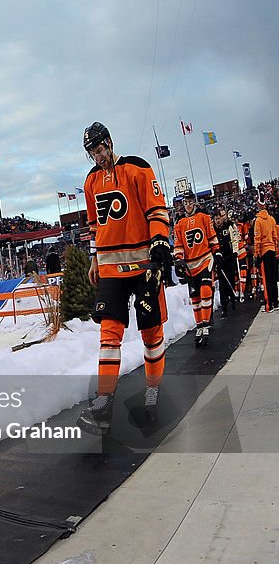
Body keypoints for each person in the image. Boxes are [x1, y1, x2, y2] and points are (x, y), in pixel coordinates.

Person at [76, 122, 171, 434]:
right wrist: (94, 259)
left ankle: (153, 392)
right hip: (111, 269)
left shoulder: (137, 169)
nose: (98, 157)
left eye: (100, 150)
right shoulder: (90, 181)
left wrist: (159, 248)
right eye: (92, 153)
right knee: (108, 334)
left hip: (143, 266)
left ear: (110, 143)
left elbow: (157, 211)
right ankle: (103, 404)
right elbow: (94, 225)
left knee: (151, 334)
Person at [173, 193, 219, 347]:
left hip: (205, 258)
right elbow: (178, 244)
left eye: (190, 202)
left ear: (195, 203)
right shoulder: (179, 224)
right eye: (185, 202)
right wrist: (178, 259)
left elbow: (211, 235)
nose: (188, 205)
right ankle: (199, 326)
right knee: (195, 297)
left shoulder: (204, 217)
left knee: (206, 290)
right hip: (190, 265)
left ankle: (206, 324)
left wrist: (217, 250)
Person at [213, 207, 240, 316]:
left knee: (231, 280)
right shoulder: (213, 230)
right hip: (220, 260)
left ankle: (233, 300)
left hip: (229, 257)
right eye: (215, 219)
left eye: (219, 218)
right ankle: (224, 307)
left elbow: (234, 240)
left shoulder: (228, 226)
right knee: (222, 283)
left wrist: (235, 252)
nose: (217, 221)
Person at [253, 198, 278, 312]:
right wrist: (276, 250)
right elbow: (275, 237)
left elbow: (257, 239)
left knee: (267, 278)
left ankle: (270, 305)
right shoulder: (272, 219)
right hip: (272, 250)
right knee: (273, 277)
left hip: (264, 251)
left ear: (259, 205)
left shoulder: (258, 221)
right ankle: (276, 302)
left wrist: (256, 254)